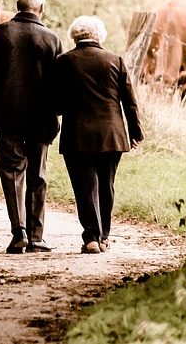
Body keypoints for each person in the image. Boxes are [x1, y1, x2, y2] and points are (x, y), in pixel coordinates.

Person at [0, 0, 63, 254]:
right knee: (38, 175)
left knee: (12, 172)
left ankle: (19, 232)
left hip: (6, 118)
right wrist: (57, 114)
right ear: (42, 9)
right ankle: (37, 237)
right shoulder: (51, 39)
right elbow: (59, 86)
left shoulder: (0, 34)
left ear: (17, 4)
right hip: (41, 119)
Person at [54, 16, 143, 254]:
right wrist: (135, 132)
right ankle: (104, 237)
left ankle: (91, 238)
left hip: (77, 136)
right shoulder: (116, 61)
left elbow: (56, 103)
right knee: (107, 185)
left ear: (74, 36)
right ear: (99, 36)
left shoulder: (63, 62)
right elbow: (130, 102)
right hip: (112, 134)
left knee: (84, 187)